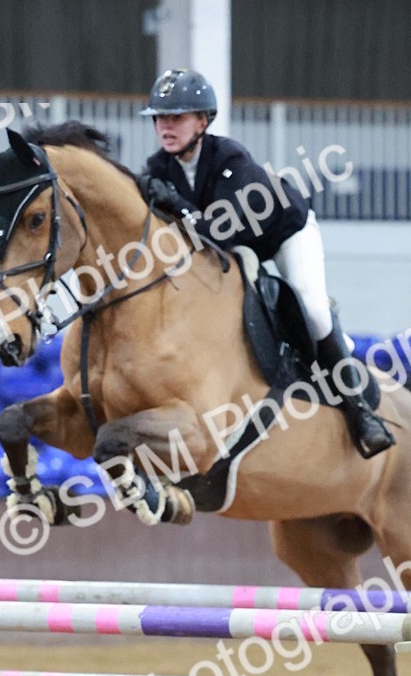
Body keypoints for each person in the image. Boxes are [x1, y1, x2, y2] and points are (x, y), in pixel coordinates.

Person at [140, 68, 394, 458]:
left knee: (311, 308)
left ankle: (359, 410)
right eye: (160, 118)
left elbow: (217, 232)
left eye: (176, 117)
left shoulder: (230, 158)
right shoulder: (159, 168)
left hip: (284, 233)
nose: (165, 126)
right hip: (238, 248)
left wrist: (174, 203)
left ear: (203, 121)